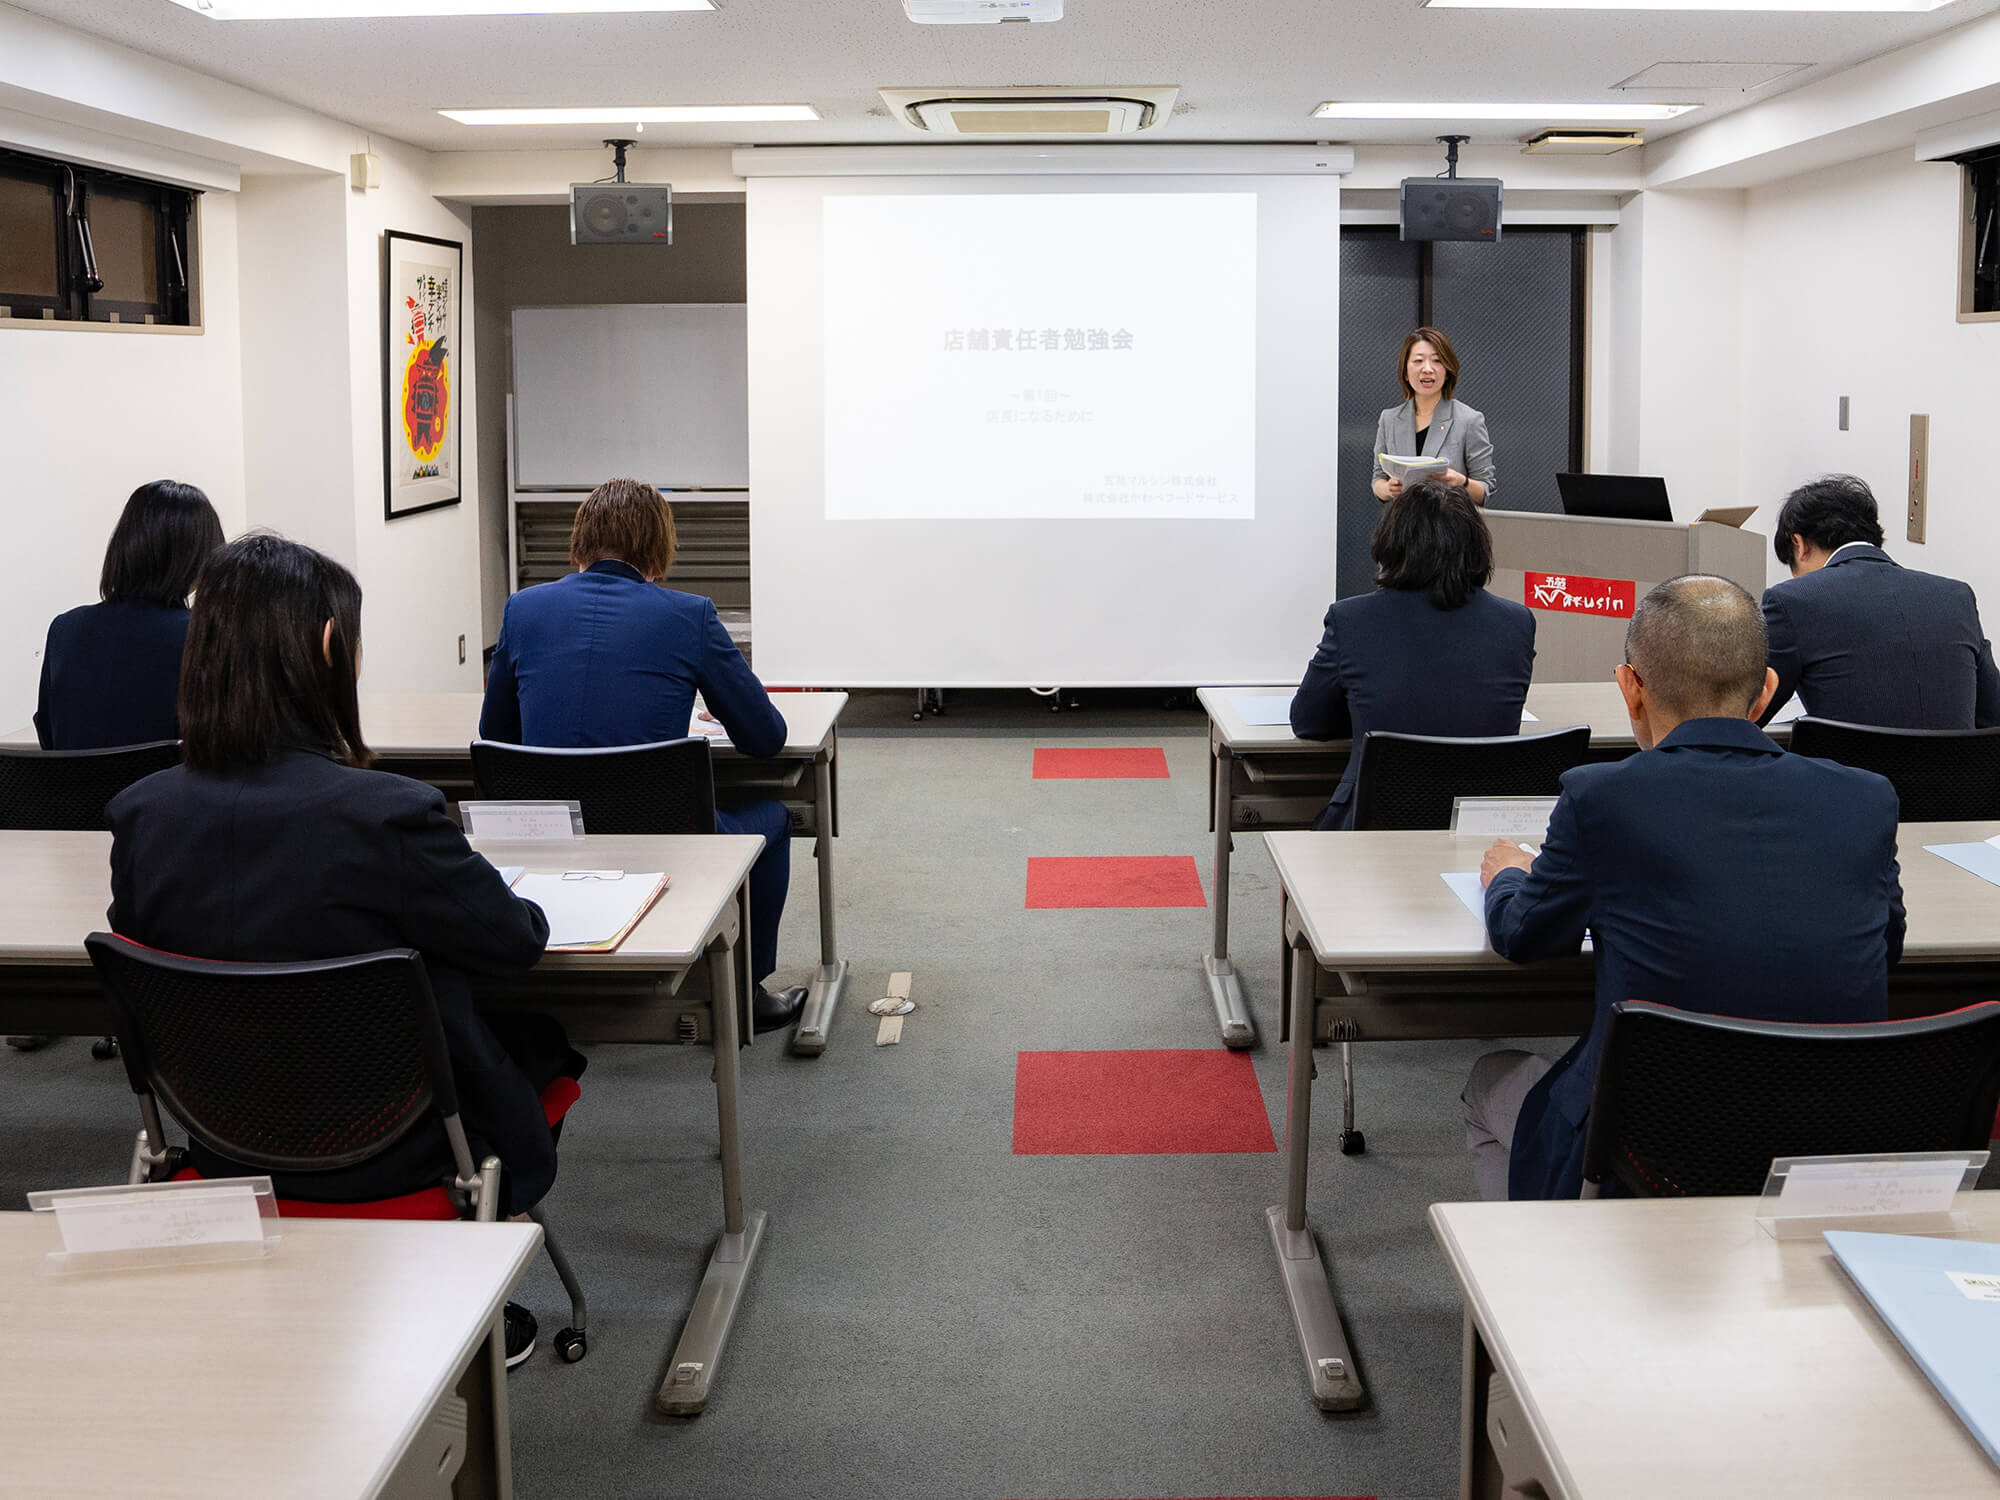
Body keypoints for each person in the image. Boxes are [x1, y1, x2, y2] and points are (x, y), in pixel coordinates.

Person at [107, 534, 577, 1366]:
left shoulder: (142, 816)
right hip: (395, 1149)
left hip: (223, 1139)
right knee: (542, 1039)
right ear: (332, 647)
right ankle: (461, 1290)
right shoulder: (388, 815)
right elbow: (515, 942)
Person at [1463, 575, 1905, 1201]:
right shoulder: (1865, 798)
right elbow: (1886, 947)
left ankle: (1528, 1274)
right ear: (1767, 692)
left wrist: (1509, 874)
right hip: (1823, 1153)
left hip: (1650, 1155)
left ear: (1629, 687)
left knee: (1488, 1082)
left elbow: (1523, 935)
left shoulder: (1601, 797)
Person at [479, 478, 806, 1034]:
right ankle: (747, 992)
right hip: (663, 837)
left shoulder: (523, 610)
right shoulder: (689, 616)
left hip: (551, 833)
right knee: (773, 816)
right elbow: (765, 739)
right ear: (659, 547)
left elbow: (496, 735)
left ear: (579, 540)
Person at [1291, 481, 1535, 829]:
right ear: (1476, 545)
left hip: (1373, 832)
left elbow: (1309, 722)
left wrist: (1370, 709)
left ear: (1392, 542)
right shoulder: (1516, 623)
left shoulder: (1352, 620)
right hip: (1479, 835)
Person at [1760, 474, 2000, 729]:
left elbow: (1748, 716)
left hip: (1845, 768)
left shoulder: (1791, 600)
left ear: (1799, 545)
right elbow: (1992, 717)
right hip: (1957, 769)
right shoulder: (1956, 597)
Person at [35, 479, 224, 750]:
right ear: (200, 555)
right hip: (166, 792)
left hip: (77, 792)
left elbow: (50, 739)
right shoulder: (205, 633)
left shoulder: (65, 628)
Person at [1370, 327, 1494, 507]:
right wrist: (1388, 489)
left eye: (1436, 361)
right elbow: (1377, 480)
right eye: (1418, 361)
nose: (1427, 369)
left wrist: (1461, 482)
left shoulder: (1469, 420)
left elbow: (1485, 490)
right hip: (1401, 528)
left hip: (1450, 528)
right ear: (1405, 371)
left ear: (1447, 370)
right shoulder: (1389, 419)